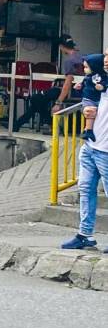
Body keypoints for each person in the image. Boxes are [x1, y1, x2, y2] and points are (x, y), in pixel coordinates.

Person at [64, 54, 108, 249]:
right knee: (85, 189)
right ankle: (84, 234)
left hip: (106, 151)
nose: (106, 60)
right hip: (91, 145)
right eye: (106, 55)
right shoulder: (99, 80)